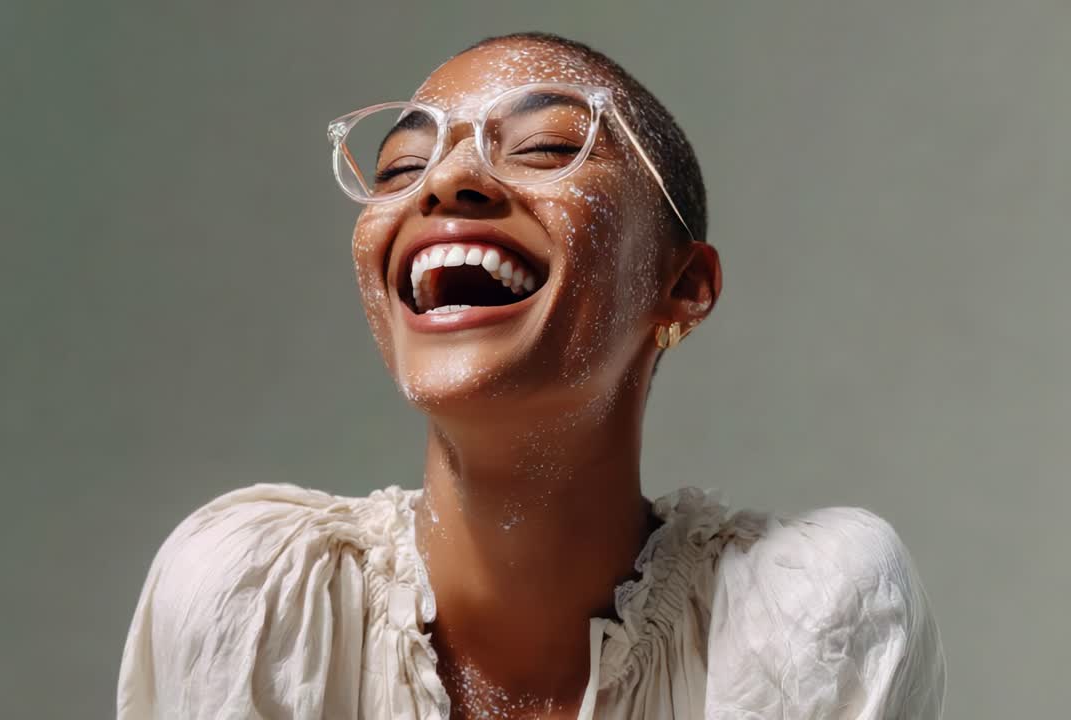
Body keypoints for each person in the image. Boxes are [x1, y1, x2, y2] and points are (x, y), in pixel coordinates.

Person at [116, 32, 946, 719]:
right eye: (401, 168)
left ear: (683, 287)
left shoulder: (809, 616)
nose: (446, 179)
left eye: (547, 148)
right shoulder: (257, 601)